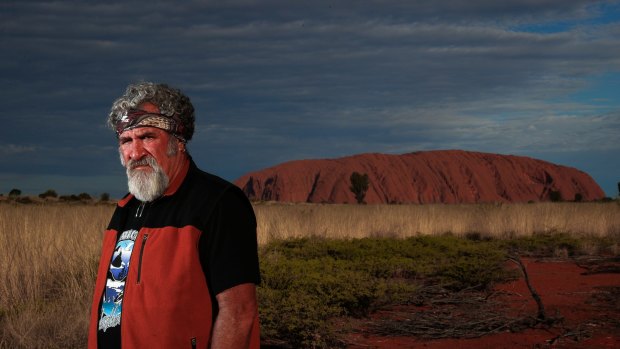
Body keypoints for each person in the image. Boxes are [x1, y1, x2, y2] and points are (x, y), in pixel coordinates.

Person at [88, 82, 261, 349]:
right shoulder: (126, 208)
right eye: (126, 141)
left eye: (147, 137)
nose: (135, 153)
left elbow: (239, 313)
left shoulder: (219, 203)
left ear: (178, 141)